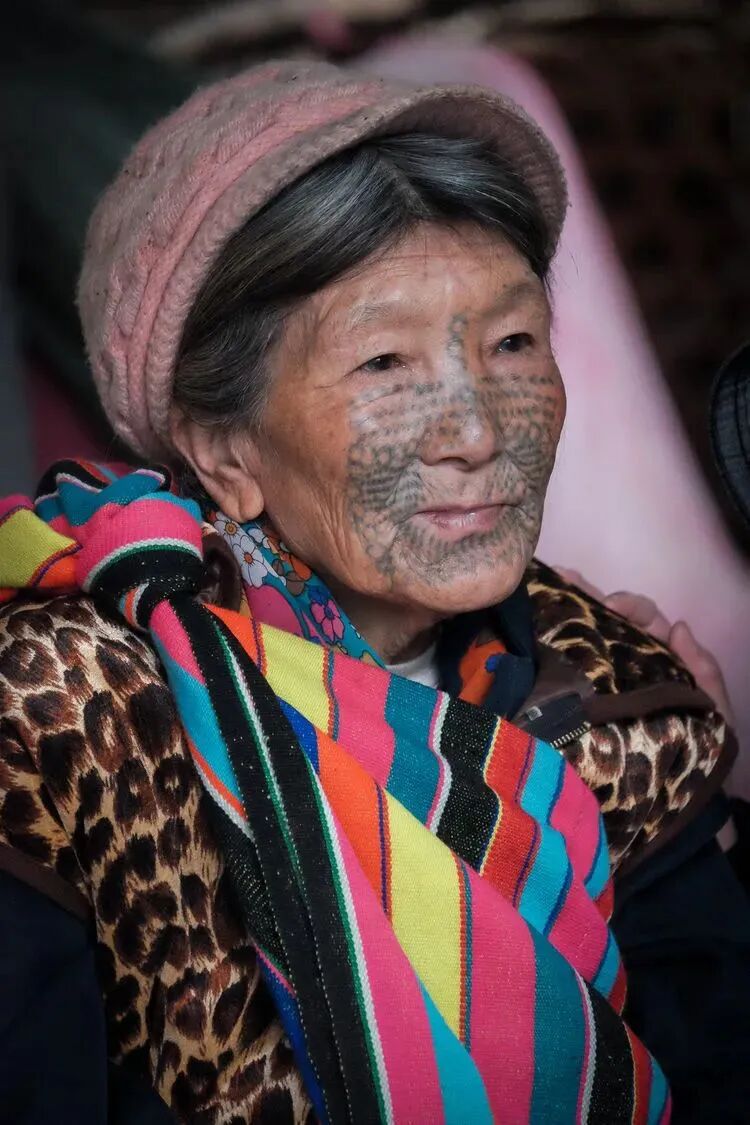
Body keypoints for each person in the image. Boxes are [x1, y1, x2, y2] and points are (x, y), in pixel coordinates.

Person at [0, 61, 745, 1124]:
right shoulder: (63, 714)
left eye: (513, 343)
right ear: (224, 450)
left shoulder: (620, 696)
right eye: (385, 364)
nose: (478, 431)